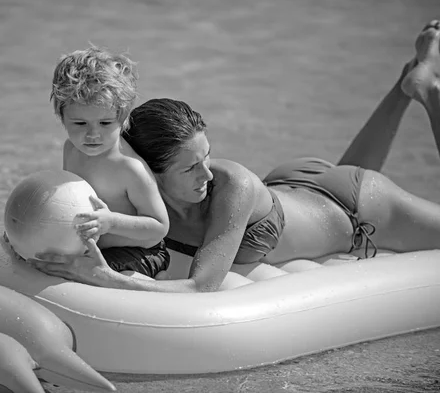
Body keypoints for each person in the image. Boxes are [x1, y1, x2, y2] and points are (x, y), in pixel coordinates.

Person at [32, 21, 440, 292]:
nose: (206, 174)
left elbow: (200, 288)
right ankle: (406, 83)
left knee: (361, 181)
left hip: (360, 210)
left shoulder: (231, 183)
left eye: (206, 156)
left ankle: (431, 91)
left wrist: (108, 279)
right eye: (190, 167)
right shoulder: (132, 183)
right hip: (293, 188)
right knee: (350, 168)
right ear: (152, 173)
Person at [48, 46, 170, 278]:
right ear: (62, 117)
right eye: (80, 124)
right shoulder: (71, 149)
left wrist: (111, 222)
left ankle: (156, 282)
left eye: (105, 124)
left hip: (138, 252)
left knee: (79, 274)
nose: (92, 134)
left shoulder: (128, 168)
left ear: (123, 118)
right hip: (95, 245)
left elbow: (159, 227)